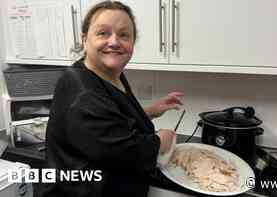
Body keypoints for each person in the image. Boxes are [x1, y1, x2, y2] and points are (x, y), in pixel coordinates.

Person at [41, 1, 184, 197]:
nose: (114, 42)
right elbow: (125, 152)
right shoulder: (83, 94)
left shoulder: (108, 73)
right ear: (85, 39)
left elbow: (112, 120)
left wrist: (150, 111)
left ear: (133, 42)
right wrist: (161, 140)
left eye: (124, 35)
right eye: (103, 33)